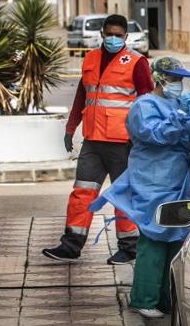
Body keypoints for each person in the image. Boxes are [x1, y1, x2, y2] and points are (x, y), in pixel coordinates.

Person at [90, 57, 190, 319]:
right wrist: (176, 120)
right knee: (155, 238)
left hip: (177, 179)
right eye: (174, 78)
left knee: (174, 239)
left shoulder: (177, 102)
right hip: (154, 179)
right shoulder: (143, 106)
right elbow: (152, 135)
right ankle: (143, 298)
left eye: (180, 79)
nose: (179, 84)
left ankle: (166, 298)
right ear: (160, 79)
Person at [43, 13, 152, 264]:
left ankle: (129, 247)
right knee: (82, 191)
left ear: (126, 36)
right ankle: (70, 246)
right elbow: (83, 95)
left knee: (124, 196)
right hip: (92, 141)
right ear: (102, 34)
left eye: (118, 35)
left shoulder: (137, 62)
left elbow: (146, 102)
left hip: (124, 143)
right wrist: (71, 128)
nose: (113, 38)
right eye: (109, 34)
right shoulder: (90, 59)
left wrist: (142, 137)